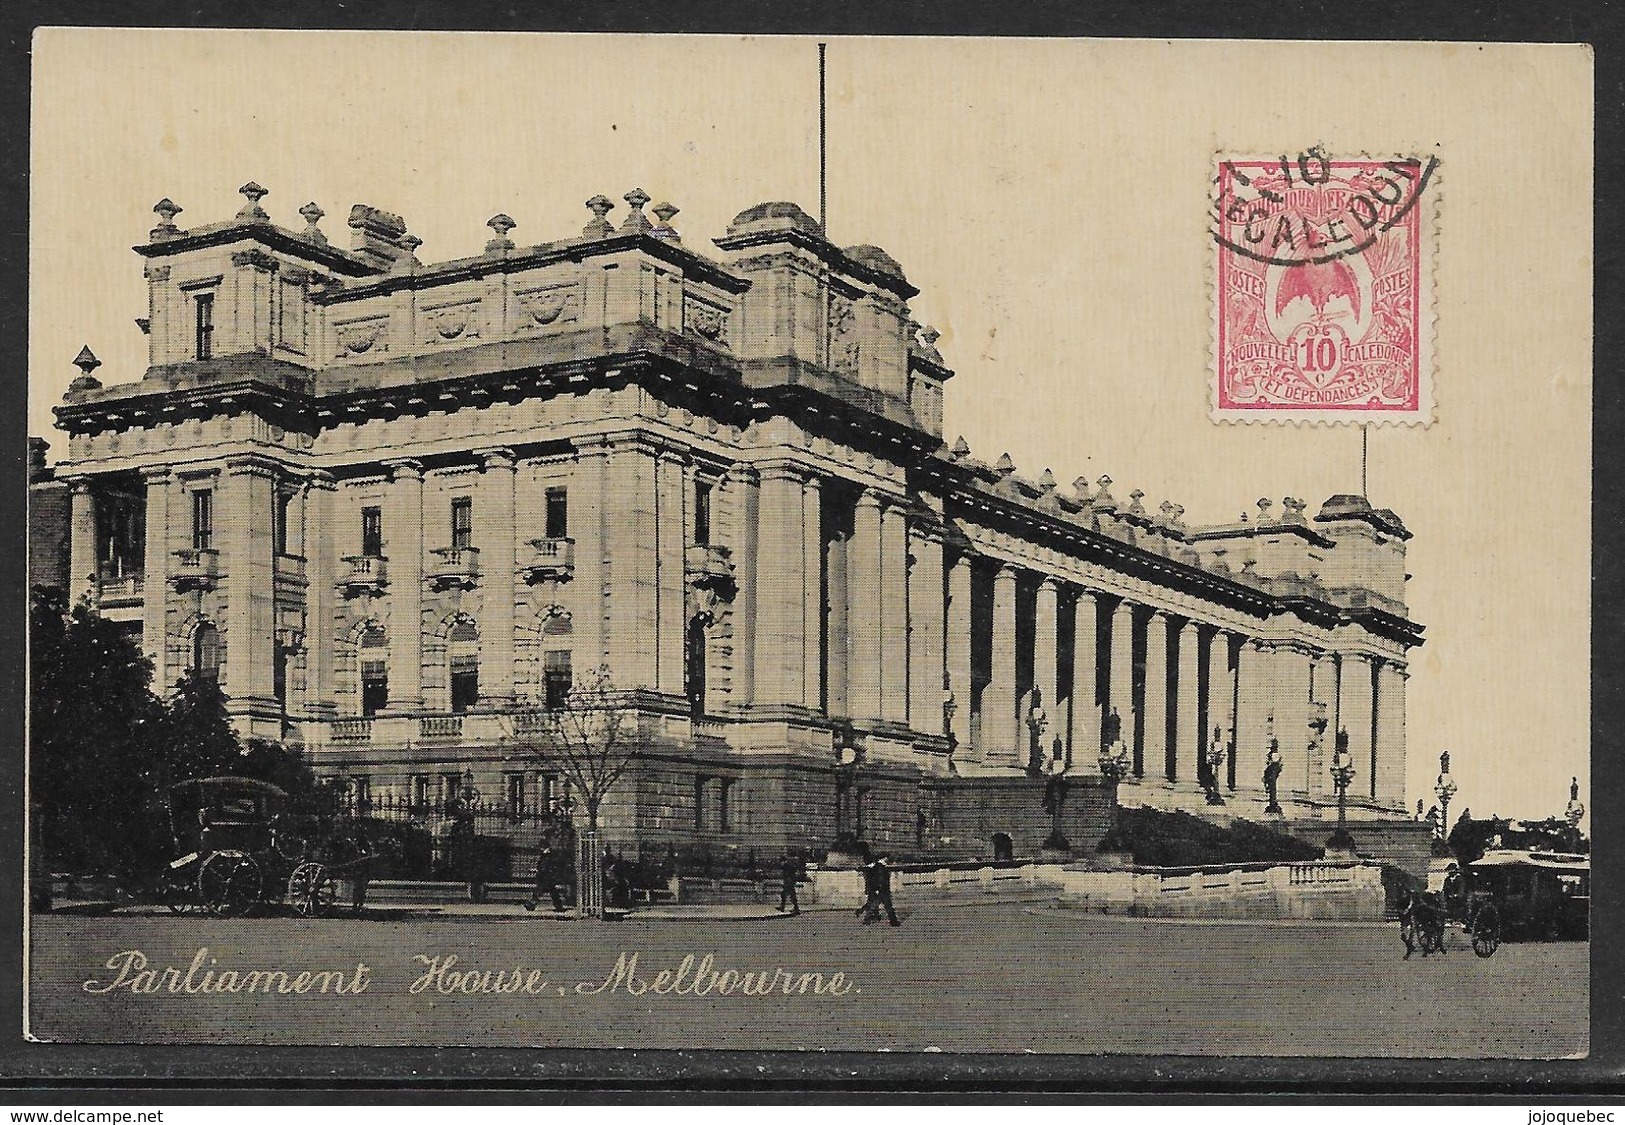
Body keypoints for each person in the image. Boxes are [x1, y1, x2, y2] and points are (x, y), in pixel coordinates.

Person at [523, 839, 568, 913]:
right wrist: (537, 869)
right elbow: (542, 866)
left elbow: (547, 866)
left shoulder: (548, 856)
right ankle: (559, 907)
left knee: (540, 891)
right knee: (552, 892)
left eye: (542, 848)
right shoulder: (545, 856)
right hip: (546, 877)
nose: (541, 849)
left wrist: (539, 870)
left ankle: (532, 905)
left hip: (546, 877)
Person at [872, 853, 901, 926]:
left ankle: (875, 917)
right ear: (884, 858)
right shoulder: (881, 867)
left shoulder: (877, 866)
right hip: (883, 889)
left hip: (879, 889)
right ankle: (893, 921)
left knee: (875, 904)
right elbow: (881, 879)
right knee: (888, 906)